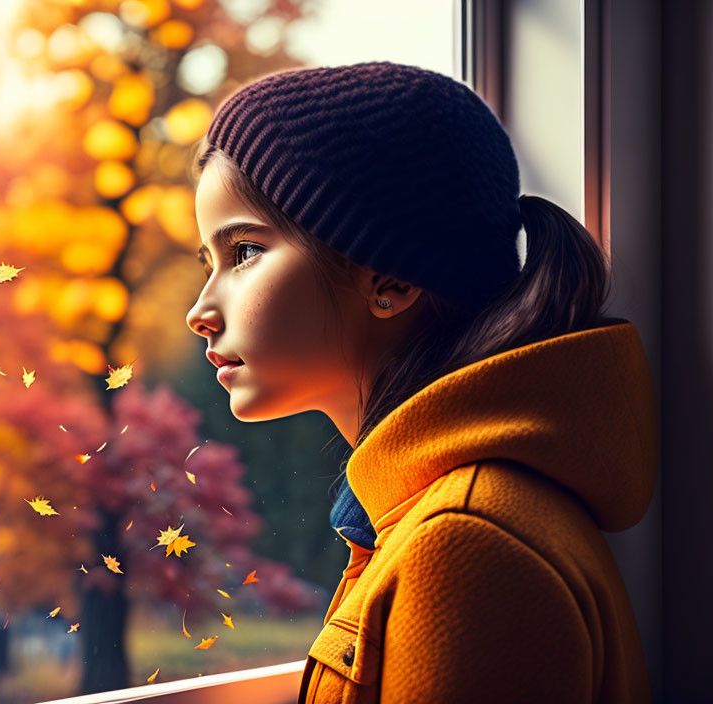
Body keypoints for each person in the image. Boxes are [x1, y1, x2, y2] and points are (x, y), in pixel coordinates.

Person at [185, 61, 657, 703]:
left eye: (244, 252)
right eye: (208, 261)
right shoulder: (426, 518)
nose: (198, 311)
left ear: (391, 280)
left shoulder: (463, 549)